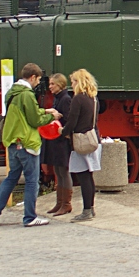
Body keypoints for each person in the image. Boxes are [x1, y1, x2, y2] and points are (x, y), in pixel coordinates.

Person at [0, 63, 60, 227]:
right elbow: (34, 120)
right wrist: (52, 117)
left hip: (12, 141)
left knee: (11, 177)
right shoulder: (26, 94)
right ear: (32, 77)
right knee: (32, 181)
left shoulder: (12, 93)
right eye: (38, 79)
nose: (38, 83)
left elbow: (25, 113)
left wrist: (44, 111)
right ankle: (30, 217)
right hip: (26, 141)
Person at [60, 68, 101, 223]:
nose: (72, 84)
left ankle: (86, 211)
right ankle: (91, 207)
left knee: (83, 176)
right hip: (92, 138)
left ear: (79, 82)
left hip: (80, 140)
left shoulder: (78, 99)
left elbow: (72, 120)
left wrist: (63, 131)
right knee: (89, 176)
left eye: (73, 81)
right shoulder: (93, 98)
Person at [43, 73, 73, 217]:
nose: (50, 87)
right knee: (58, 171)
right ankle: (59, 202)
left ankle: (66, 203)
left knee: (63, 171)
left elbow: (68, 120)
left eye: (52, 84)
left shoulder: (65, 100)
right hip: (56, 140)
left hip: (62, 141)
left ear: (60, 85)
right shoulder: (58, 99)